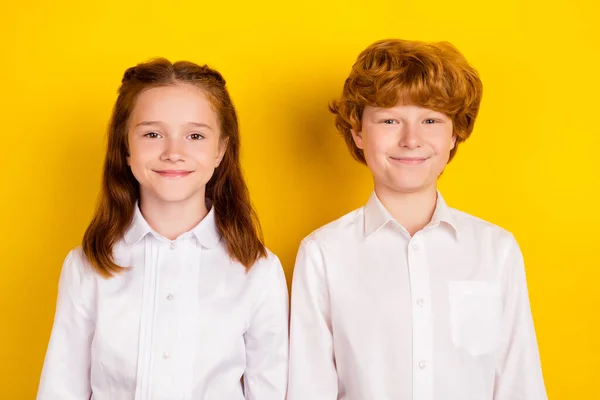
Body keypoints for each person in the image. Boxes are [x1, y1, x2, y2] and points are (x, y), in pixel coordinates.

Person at [287, 39, 547, 400]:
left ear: (455, 133)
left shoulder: (497, 250)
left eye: (430, 120)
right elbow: (308, 388)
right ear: (358, 133)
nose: (411, 139)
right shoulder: (323, 254)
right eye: (390, 120)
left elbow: (520, 383)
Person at [37, 58, 289, 400]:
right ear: (125, 147)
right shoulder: (87, 266)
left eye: (195, 135)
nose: (174, 152)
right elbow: (61, 388)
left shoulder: (258, 271)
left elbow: (269, 390)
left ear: (221, 151)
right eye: (153, 134)